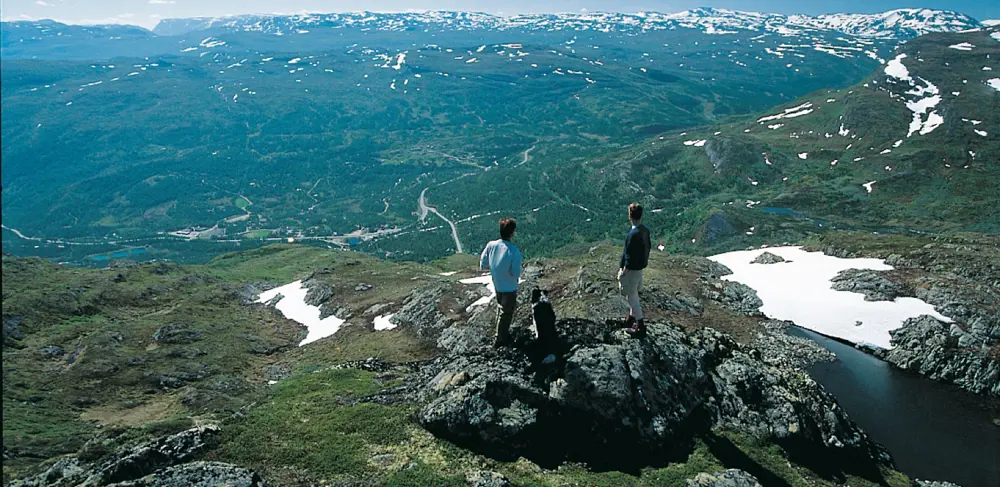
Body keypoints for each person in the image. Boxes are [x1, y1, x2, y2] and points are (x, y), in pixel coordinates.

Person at [480, 217, 522, 347]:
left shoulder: (491, 245)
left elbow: (483, 264)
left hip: (497, 284)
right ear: (512, 232)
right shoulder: (514, 251)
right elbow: (516, 273)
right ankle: (500, 339)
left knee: (501, 309)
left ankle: (501, 334)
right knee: (506, 313)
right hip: (509, 286)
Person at [618, 203, 651, 337]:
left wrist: (623, 272)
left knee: (631, 297)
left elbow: (629, 256)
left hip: (631, 270)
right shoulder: (644, 230)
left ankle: (640, 326)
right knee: (633, 293)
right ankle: (631, 318)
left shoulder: (633, 234)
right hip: (639, 269)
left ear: (629, 216)